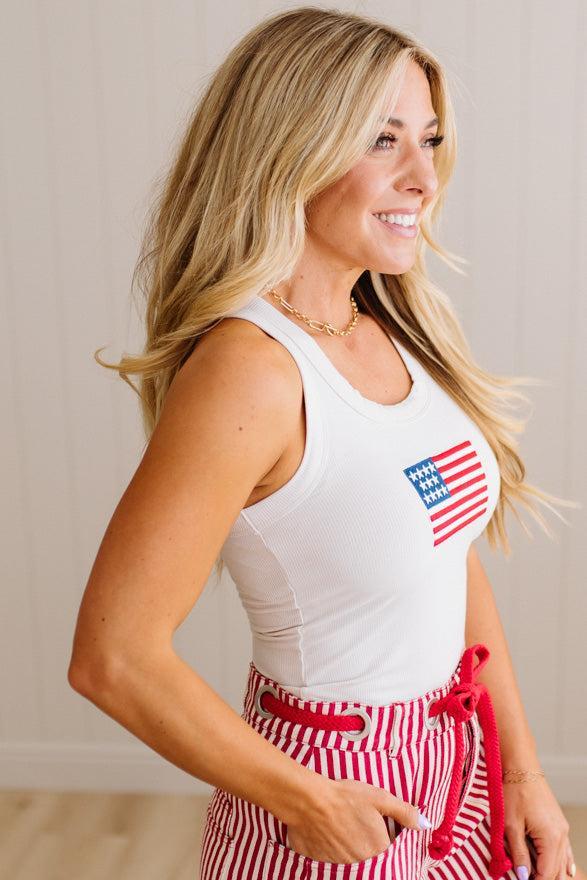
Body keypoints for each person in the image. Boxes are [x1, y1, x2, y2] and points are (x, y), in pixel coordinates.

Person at [67, 7, 583, 880]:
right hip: (329, 782)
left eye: (428, 138)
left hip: (452, 755)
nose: (424, 177)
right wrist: (304, 798)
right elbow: (114, 657)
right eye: (382, 141)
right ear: (287, 149)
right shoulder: (249, 372)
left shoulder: (382, 325)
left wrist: (519, 774)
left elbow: (448, 559)